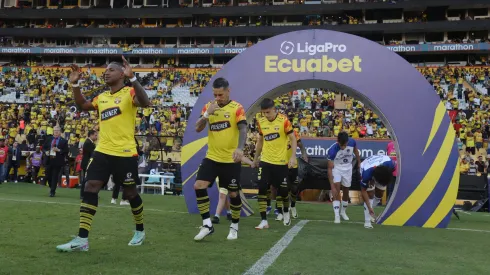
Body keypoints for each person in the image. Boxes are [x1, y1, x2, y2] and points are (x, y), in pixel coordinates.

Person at [56, 56, 151, 252]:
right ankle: (82, 239)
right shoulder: (102, 97)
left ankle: (140, 230)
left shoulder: (130, 92)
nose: (106, 72)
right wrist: (74, 84)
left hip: (125, 153)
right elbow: (83, 105)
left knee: (130, 193)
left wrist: (134, 79)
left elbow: (145, 102)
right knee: (90, 187)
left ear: (122, 74)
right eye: (105, 70)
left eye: (111, 70)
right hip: (102, 151)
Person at [193, 77, 247, 241]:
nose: (218, 98)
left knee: (233, 194)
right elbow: (197, 128)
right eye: (215, 95)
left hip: (230, 159)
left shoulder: (237, 108)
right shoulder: (209, 107)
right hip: (212, 157)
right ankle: (207, 224)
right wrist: (206, 115)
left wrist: (240, 148)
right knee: (198, 186)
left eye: (221, 95)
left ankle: (234, 227)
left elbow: (243, 129)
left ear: (228, 91)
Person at [253, 98, 297, 230]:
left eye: (268, 112)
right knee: (261, 188)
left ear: (274, 109)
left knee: (283, 190)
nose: (266, 115)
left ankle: (285, 210)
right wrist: (256, 158)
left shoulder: (283, 121)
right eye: (264, 113)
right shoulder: (261, 122)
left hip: (280, 163)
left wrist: (293, 157)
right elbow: (260, 141)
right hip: (265, 161)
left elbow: (293, 138)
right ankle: (263, 220)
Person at [327, 131, 361, 224]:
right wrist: (332, 187)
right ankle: (336, 215)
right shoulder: (332, 150)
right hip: (337, 168)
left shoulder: (352, 142)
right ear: (337, 141)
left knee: (346, 190)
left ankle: (343, 212)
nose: (343, 147)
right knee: (336, 189)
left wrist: (359, 162)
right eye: (341, 145)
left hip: (348, 168)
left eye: (344, 145)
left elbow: (356, 151)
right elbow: (329, 169)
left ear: (347, 141)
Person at [359, 155, 395, 229]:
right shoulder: (366, 174)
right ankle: (367, 222)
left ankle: (372, 210)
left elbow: (390, 173)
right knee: (370, 194)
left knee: (380, 194)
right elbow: (363, 191)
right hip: (367, 167)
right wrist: (369, 207)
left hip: (381, 169)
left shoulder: (391, 164)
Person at [43, 126, 69, 197]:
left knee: (55, 176)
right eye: (55, 131)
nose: (56, 132)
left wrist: (59, 150)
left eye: (58, 131)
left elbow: (66, 151)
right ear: (53, 131)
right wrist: (46, 152)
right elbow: (44, 147)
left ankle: (52, 191)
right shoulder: (49, 139)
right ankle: (51, 187)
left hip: (57, 161)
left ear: (60, 132)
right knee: (48, 175)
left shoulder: (63, 141)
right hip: (49, 160)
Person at [80, 130, 97, 200]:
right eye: (95, 135)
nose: (96, 137)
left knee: (89, 179)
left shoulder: (90, 142)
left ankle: (89, 193)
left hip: (89, 164)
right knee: (86, 179)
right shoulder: (88, 143)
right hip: (87, 164)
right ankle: (83, 194)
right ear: (91, 135)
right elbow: (92, 154)